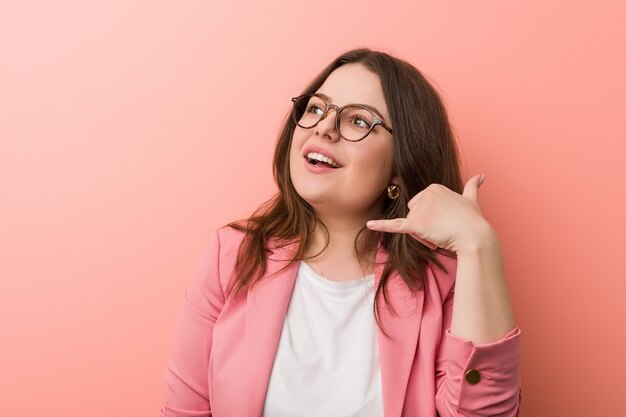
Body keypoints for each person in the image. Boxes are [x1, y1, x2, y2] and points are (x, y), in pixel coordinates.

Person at [160, 48, 521, 417]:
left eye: (359, 121)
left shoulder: (444, 278)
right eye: (316, 108)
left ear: (401, 164)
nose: (324, 127)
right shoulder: (232, 255)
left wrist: (479, 247)